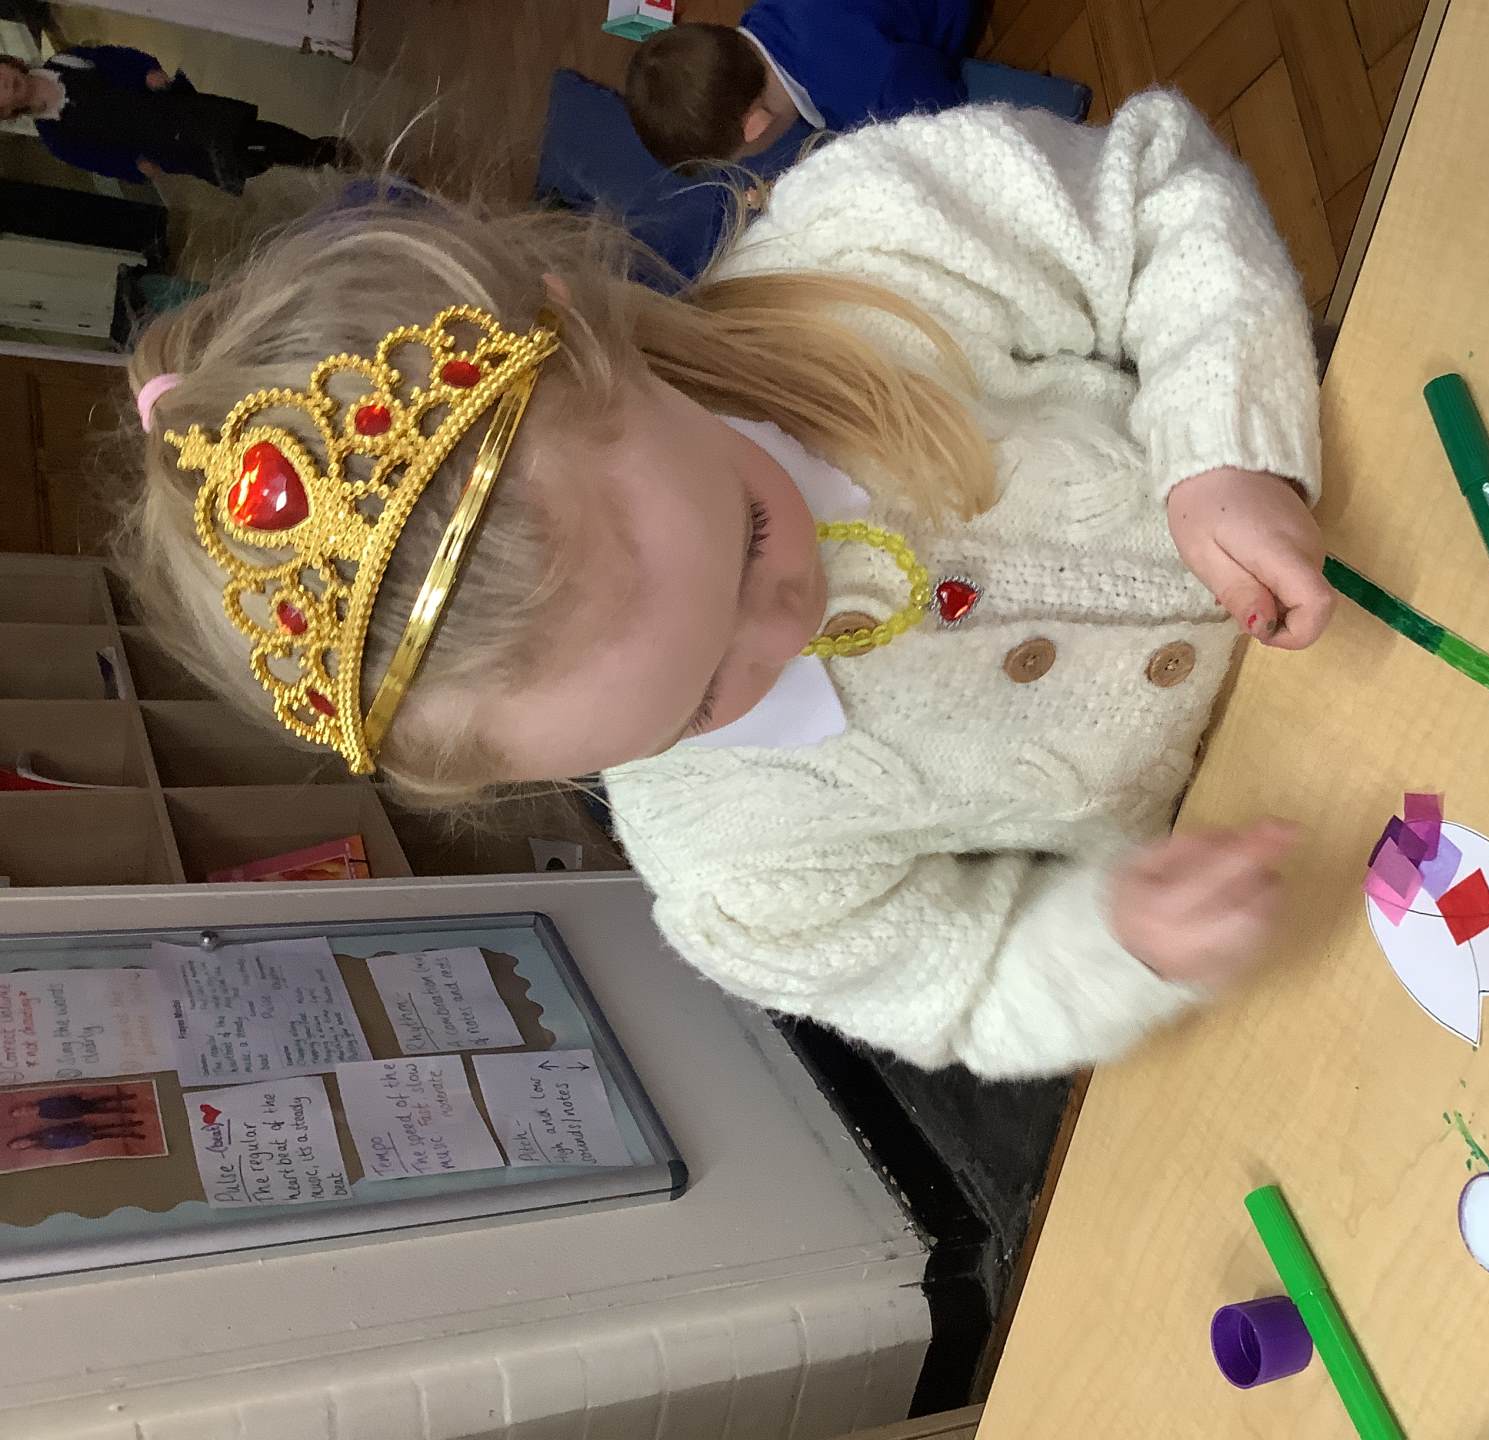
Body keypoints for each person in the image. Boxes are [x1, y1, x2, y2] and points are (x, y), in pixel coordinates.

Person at [119, 92, 1331, 1079]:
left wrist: (1222, 446)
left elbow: (1150, 194)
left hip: (1367, 494)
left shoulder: (865, 251)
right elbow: (965, 988)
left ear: (593, 337)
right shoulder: (736, 875)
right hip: (1319, 821)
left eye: (750, 534)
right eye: (698, 703)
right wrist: (1118, 943)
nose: (786, 624)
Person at [623, 0, 977, 167]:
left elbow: (946, 116)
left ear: (755, 126)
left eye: (741, 157)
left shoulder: (874, 92)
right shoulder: (763, 16)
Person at [0, 48, 347, 193]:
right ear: (4, 112)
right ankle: (293, 155)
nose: (5, 84)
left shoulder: (64, 61)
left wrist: (147, 71)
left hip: (173, 108)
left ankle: (319, 151)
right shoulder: (56, 137)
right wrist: (136, 167)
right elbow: (100, 159)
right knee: (243, 159)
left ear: (8, 63)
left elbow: (117, 58)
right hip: (164, 145)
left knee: (246, 131)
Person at [9, 1121, 146, 1151]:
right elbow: (63, 1146)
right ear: (23, 1148)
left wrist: (78, 1126)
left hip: (79, 1129)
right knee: (107, 1135)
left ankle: (129, 1124)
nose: (22, 1143)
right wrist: (80, 1141)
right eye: (20, 1146)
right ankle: (130, 1135)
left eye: (19, 1142)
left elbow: (60, 1127)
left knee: (107, 1126)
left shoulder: (40, 1132)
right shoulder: (43, 1146)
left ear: (20, 1139)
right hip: (79, 1138)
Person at [11, 1091, 136, 1122]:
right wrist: (76, 1115)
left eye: (20, 1110)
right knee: (102, 1110)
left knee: (102, 1100)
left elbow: (59, 1098)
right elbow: (61, 1117)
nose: (24, 1111)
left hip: (75, 1102)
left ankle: (124, 1097)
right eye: (21, 1114)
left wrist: (76, 1097)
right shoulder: (42, 1115)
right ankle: (125, 1110)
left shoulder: (41, 1102)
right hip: (76, 1110)